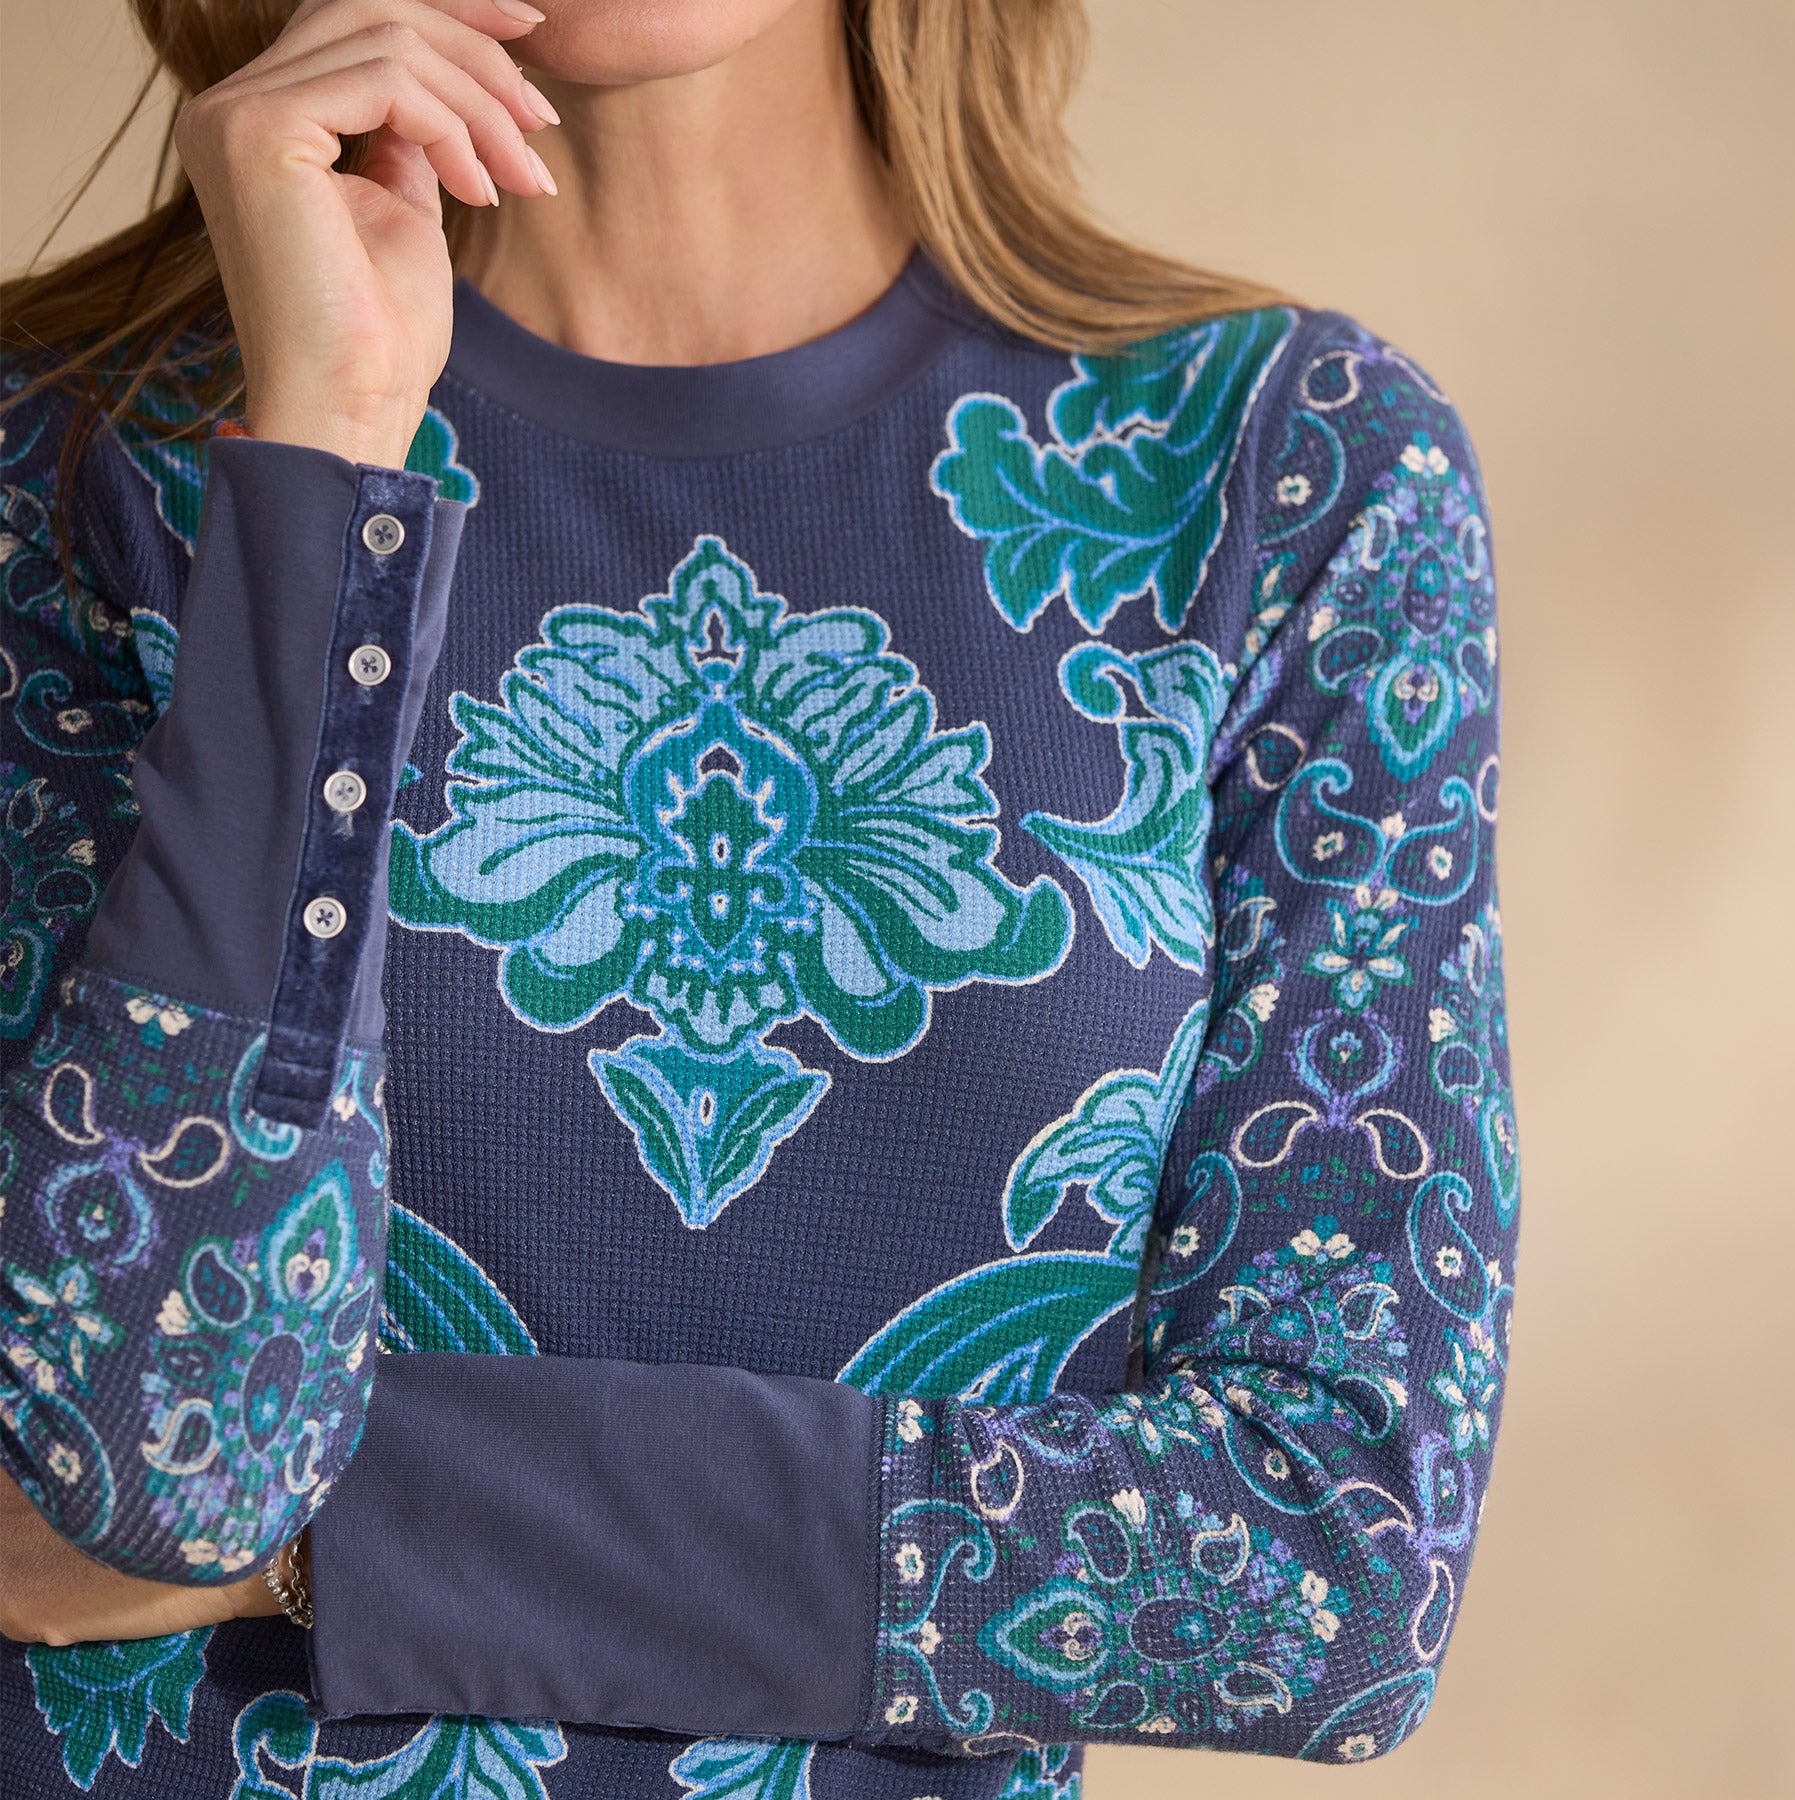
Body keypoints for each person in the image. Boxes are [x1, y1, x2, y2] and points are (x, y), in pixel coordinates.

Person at [0, 1, 1519, 1793]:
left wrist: (342, 1534)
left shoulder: (1278, 476)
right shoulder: (65, 461)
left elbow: (1332, 1564)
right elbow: (156, 1467)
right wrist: (324, 465)